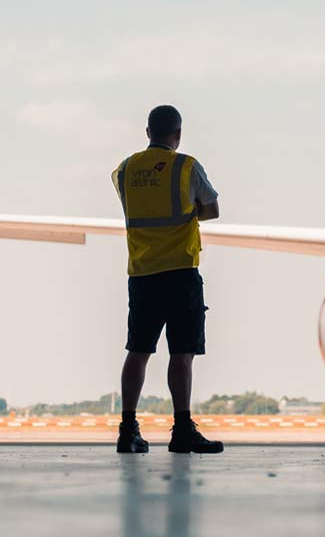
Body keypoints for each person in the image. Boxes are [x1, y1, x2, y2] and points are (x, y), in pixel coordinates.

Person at [112, 105, 224, 454]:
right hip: (180, 272)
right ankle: (181, 429)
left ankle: (128, 429)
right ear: (177, 134)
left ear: (148, 132)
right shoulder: (185, 166)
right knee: (182, 354)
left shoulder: (126, 170)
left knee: (138, 351)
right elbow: (212, 208)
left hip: (142, 273)